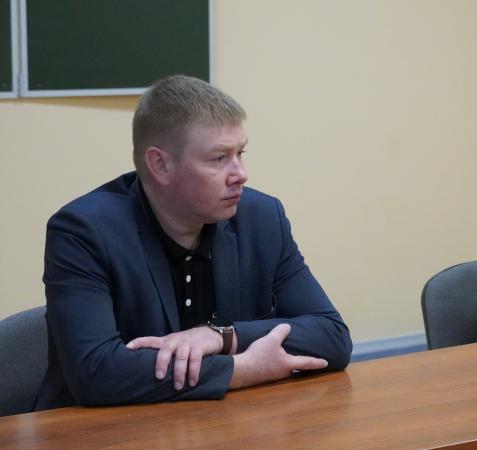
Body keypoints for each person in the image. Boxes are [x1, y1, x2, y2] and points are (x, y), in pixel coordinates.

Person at [35, 75, 352, 411]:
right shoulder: (83, 232)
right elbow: (96, 373)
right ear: (161, 165)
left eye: (240, 153)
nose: (241, 174)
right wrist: (242, 369)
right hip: (102, 430)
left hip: (223, 423)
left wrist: (221, 337)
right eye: (219, 159)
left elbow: (332, 337)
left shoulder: (261, 218)